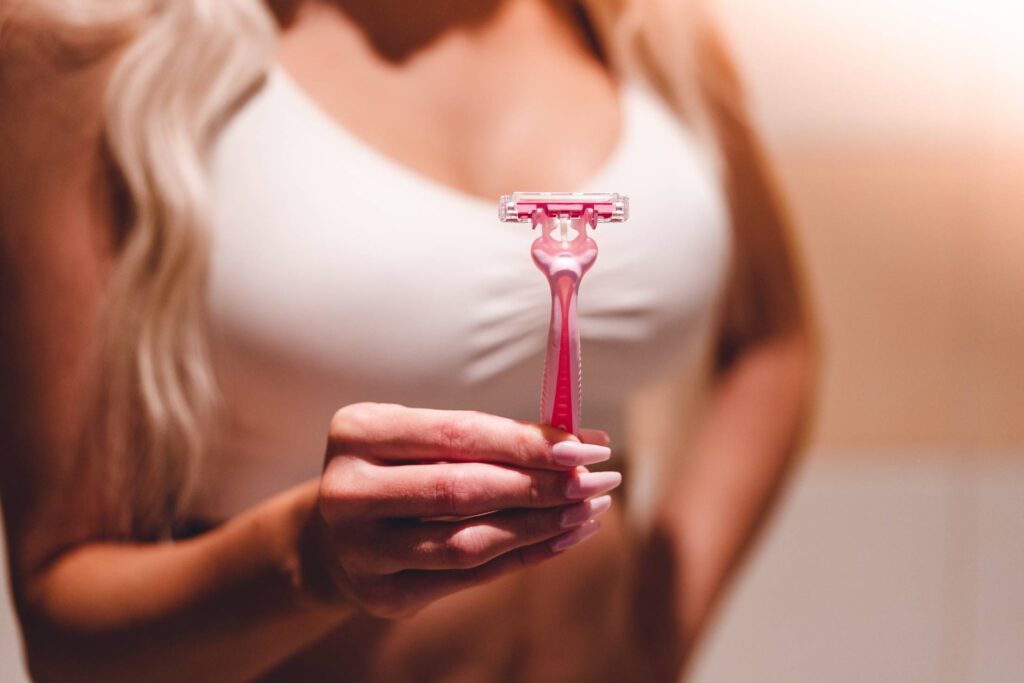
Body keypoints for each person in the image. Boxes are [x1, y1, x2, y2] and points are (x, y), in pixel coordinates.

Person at [0, 0, 816, 680]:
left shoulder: (646, 24)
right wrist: (312, 560)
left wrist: (663, 620)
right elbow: (64, 629)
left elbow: (775, 340)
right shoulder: (86, 41)